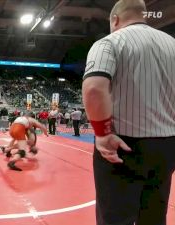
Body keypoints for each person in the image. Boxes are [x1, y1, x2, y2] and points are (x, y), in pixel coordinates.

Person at [82, 0, 175, 224]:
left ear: (115, 20)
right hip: (167, 145)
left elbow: (94, 88)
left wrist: (103, 133)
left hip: (123, 145)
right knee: (154, 216)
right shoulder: (172, 44)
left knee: (115, 217)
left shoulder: (109, 43)